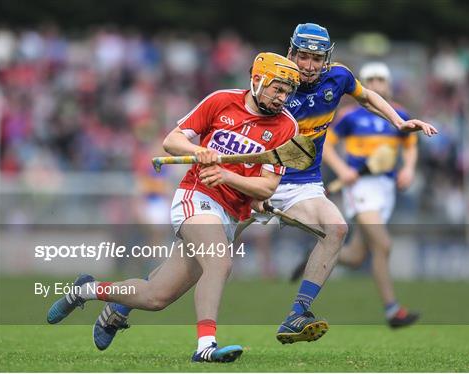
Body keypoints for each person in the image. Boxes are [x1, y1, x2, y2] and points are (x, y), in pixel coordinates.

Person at [46, 52, 301, 363]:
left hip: (231, 215)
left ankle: (86, 290)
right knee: (219, 262)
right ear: (258, 80)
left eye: (288, 92)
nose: (282, 97)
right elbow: (172, 140)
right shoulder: (221, 101)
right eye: (278, 88)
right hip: (197, 196)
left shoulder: (287, 127)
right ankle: (205, 347)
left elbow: (266, 188)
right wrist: (199, 151)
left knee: (156, 297)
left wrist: (235, 179)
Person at [249, 23, 437, 344]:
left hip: (304, 183)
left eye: (316, 58)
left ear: (327, 58)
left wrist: (399, 122)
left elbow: (367, 97)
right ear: (291, 52)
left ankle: (298, 313)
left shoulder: (339, 77)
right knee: (198, 263)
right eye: (303, 57)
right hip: (258, 179)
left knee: (337, 229)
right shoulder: (276, 80)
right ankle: (131, 300)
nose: (309, 66)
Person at [292, 62, 421, 328]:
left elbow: (409, 146)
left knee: (358, 255)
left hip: (385, 189)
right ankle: (392, 310)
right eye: (370, 80)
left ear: (388, 84)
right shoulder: (350, 116)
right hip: (359, 188)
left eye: (380, 79)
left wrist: (408, 169)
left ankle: (312, 258)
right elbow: (326, 145)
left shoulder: (398, 114)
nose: (375, 84)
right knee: (383, 245)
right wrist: (343, 169)